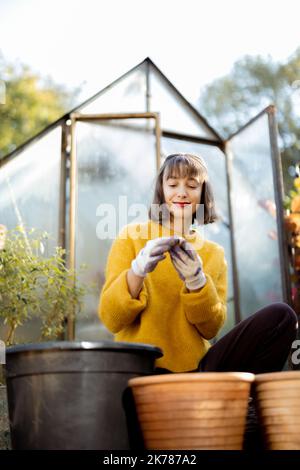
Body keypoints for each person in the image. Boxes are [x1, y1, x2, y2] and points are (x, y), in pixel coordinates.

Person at [98, 153, 298, 376]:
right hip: (142, 369)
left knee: (282, 316)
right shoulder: (131, 237)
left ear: (202, 194)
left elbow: (210, 328)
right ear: (161, 191)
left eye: (192, 185)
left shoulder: (213, 253)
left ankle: (243, 401)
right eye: (173, 184)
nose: (182, 192)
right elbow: (111, 318)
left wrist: (197, 281)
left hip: (197, 372)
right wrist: (137, 271)